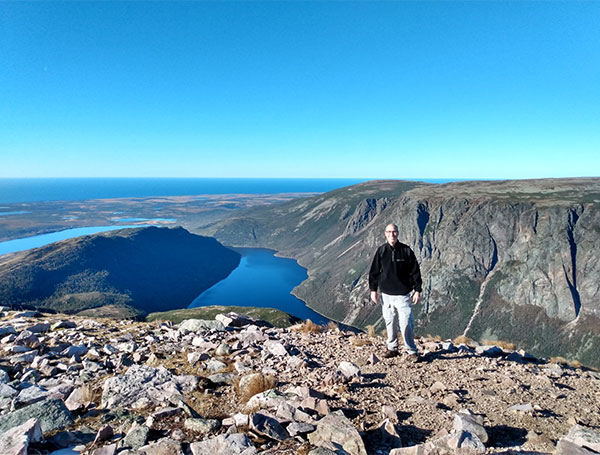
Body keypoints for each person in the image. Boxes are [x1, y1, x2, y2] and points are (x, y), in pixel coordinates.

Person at [368, 223, 422, 360]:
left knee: (406, 322)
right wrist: (373, 290)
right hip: (386, 295)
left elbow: (415, 271)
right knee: (390, 322)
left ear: (398, 233)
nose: (392, 234)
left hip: (403, 295)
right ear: (385, 233)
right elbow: (374, 272)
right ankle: (392, 348)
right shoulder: (381, 251)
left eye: (394, 231)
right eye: (389, 231)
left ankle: (411, 351)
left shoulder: (406, 251)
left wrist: (417, 290)